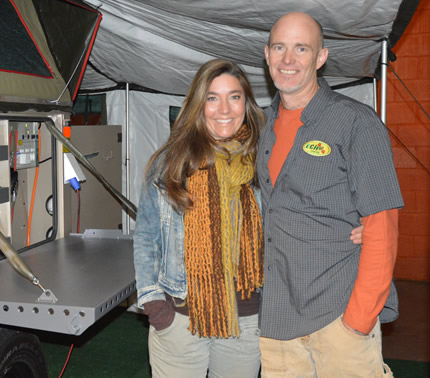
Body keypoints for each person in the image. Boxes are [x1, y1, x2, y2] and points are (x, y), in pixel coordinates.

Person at [256, 11, 404, 377]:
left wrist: (357, 322)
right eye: (280, 47)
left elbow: (382, 227)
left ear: (321, 57)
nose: (288, 60)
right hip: (278, 323)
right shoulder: (262, 126)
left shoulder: (356, 123)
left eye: (301, 48)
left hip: (338, 318)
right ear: (267, 54)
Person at [133, 58, 266, 377]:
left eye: (234, 97)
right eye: (212, 97)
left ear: (246, 104)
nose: (224, 109)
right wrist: (154, 305)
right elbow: (145, 238)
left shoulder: (264, 162)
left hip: (244, 320)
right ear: (198, 104)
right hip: (179, 318)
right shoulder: (170, 162)